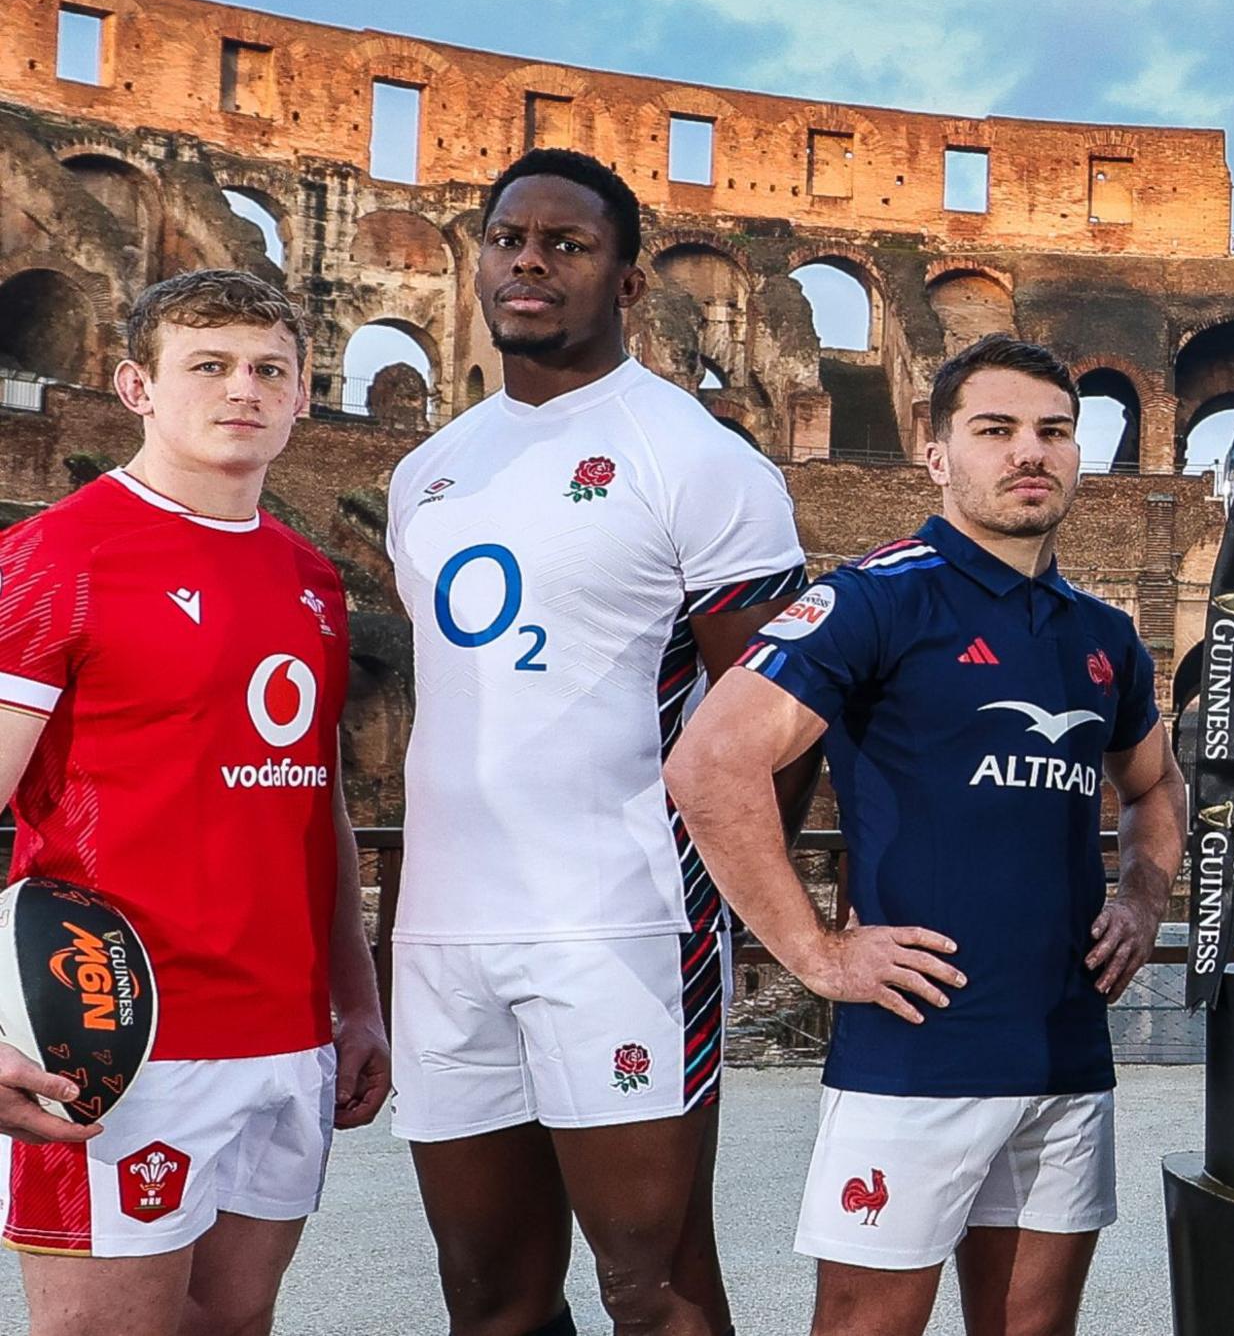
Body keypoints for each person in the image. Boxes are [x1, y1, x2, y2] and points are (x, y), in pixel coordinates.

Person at [665, 334, 1185, 1336]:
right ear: (937, 452)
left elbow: (1154, 785)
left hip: (1063, 1046)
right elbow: (708, 763)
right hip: (916, 1049)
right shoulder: (876, 595)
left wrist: (1142, 895)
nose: (1028, 452)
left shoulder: (1101, 633)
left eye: (1053, 431)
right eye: (994, 430)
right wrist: (814, 949)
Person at [386, 149, 809, 1336]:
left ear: (626, 282)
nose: (529, 261)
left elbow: (776, 718)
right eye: (509, 237)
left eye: (568, 244)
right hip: (446, 927)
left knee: (656, 1286)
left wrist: (752, 903)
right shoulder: (428, 470)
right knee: (486, 1295)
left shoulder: (698, 459)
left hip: (618, 917)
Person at [0, 269, 389, 1332]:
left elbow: (317, 806)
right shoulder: (55, 558)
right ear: (137, 385)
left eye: (271, 370)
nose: (243, 390)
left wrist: (356, 1000)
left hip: (285, 1033)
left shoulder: (311, 576)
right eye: (208, 365)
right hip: (112, 1030)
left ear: (305, 395)